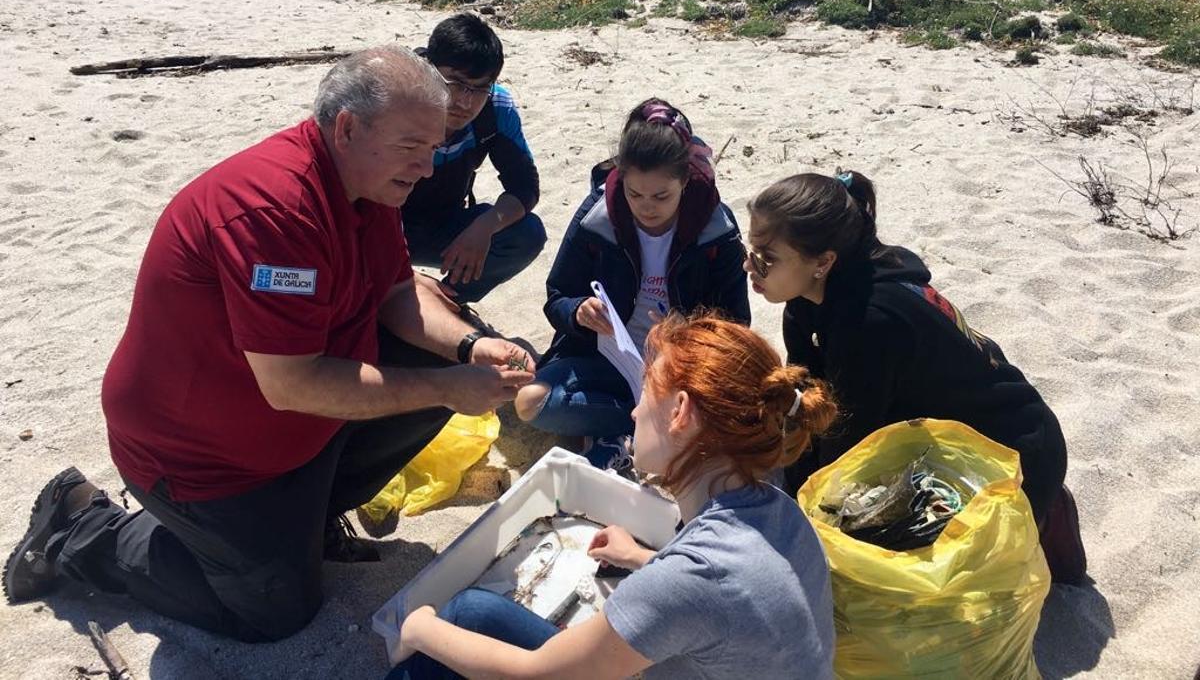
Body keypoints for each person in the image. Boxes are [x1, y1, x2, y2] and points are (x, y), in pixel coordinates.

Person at [2, 46, 536, 641]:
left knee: (447, 359)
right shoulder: (274, 210)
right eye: (413, 146)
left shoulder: (369, 182)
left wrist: (466, 349)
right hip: (202, 459)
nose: (429, 167)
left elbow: (396, 296)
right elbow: (294, 384)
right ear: (348, 128)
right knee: (274, 612)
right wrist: (449, 386)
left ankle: (309, 517)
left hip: (293, 429)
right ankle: (84, 527)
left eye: (434, 147)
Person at [391, 313, 838, 680]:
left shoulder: (687, 581)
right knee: (474, 614)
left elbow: (535, 672)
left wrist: (418, 627)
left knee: (453, 625)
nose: (635, 410)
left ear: (680, 412)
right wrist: (644, 559)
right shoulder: (782, 513)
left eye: (645, 393)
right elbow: (734, 598)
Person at [745, 170, 1087, 583]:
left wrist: (794, 514)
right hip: (938, 438)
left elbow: (844, 446)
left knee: (881, 560)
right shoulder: (806, 302)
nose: (752, 267)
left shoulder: (869, 322)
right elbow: (810, 403)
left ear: (823, 262)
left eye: (767, 258)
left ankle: (1044, 520)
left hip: (1017, 454)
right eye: (751, 251)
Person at [515, 98, 750, 469]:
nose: (646, 207)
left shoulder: (715, 230)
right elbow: (557, 296)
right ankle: (638, 428)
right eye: (634, 194)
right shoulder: (598, 217)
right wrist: (579, 312)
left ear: (685, 182)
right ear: (620, 179)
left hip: (680, 370)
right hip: (608, 360)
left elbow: (736, 324)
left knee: (731, 409)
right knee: (531, 402)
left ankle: (627, 431)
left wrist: (682, 339)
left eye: (661, 196)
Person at [403, 14, 546, 303]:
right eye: (455, 83)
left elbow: (525, 187)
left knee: (527, 233)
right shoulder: (398, 98)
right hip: (380, 223)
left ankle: (450, 301)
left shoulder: (495, 109)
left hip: (445, 222)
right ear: (428, 69)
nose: (465, 102)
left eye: (480, 88)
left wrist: (486, 225)